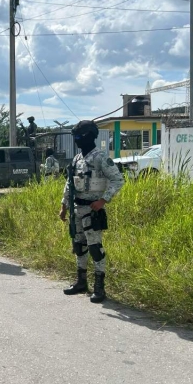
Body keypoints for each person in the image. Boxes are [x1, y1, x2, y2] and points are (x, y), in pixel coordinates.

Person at [59, 120, 124, 303]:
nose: (77, 141)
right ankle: (81, 282)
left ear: (88, 136)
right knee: (79, 246)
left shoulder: (100, 157)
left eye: (79, 137)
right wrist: (64, 205)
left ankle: (99, 287)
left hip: (92, 209)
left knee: (95, 247)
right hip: (77, 208)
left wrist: (103, 200)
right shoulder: (77, 159)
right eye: (75, 137)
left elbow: (118, 179)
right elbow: (69, 184)